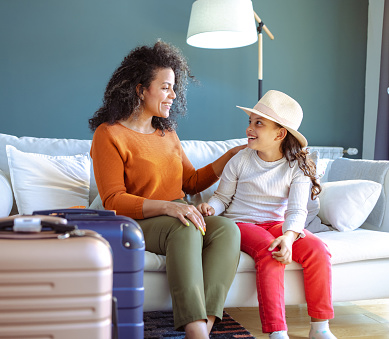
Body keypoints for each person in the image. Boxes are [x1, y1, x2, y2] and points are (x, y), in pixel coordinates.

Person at [89, 40, 243, 339]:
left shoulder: (166, 131)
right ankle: (196, 329)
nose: (173, 95)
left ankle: (204, 325)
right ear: (140, 89)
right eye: (165, 87)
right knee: (184, 226)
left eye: (174, 87)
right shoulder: (109, 134)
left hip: (175, 215)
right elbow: (113, 199)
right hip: (136, 221)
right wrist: (170, 207)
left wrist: (230, 156)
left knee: (226, 229)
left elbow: (191, 182)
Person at [197, 90, 336, 339]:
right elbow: (222, 198)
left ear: (280, 134)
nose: (250, 127)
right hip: (240, 222)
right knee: (270, 251)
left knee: (319, 250)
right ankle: (277, 331)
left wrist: (290, 236)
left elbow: (296, 210)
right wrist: (211, 208)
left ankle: (320, 327)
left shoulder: (298, 166)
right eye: (250, 121)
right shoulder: (240, 160)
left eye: (258, 123)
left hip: (277, 223)